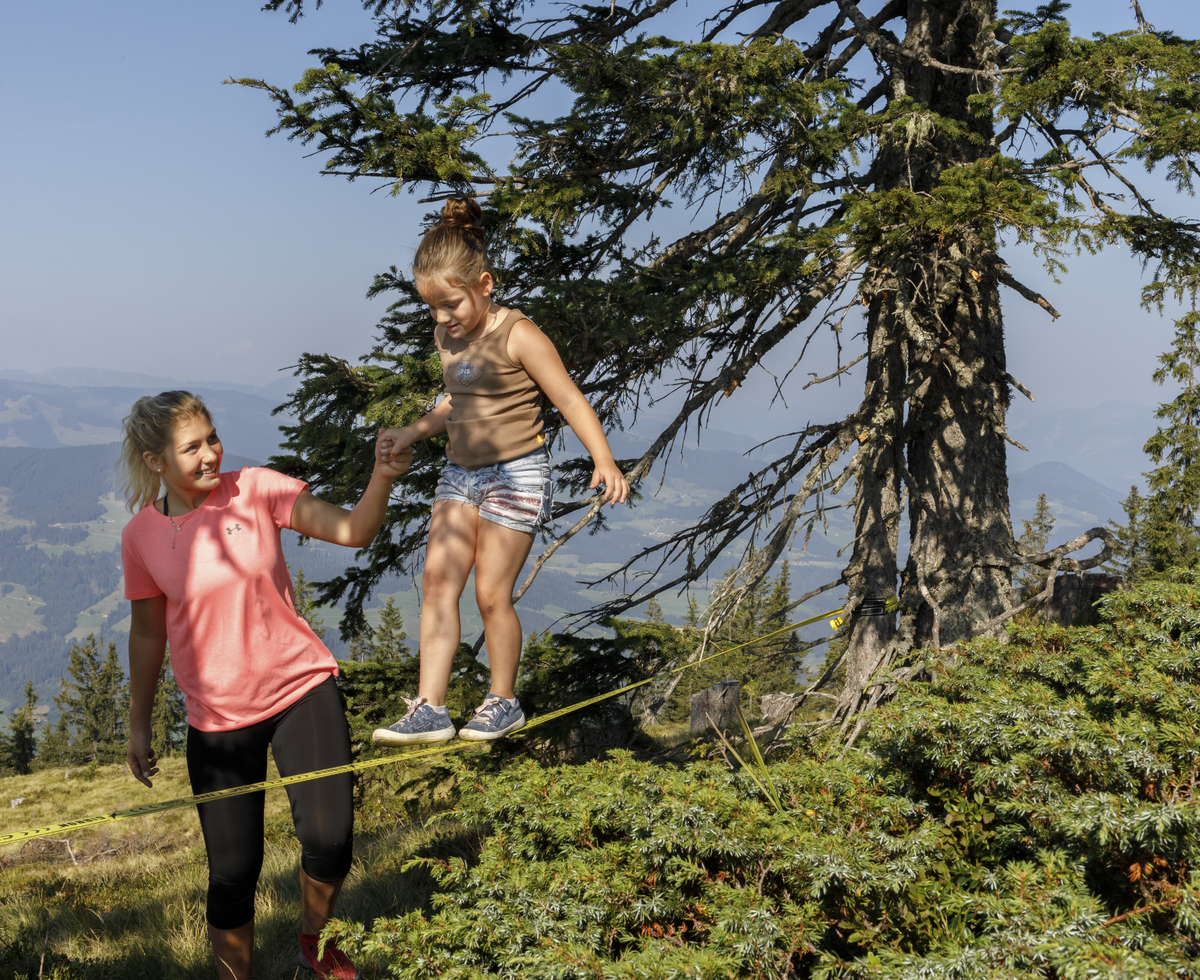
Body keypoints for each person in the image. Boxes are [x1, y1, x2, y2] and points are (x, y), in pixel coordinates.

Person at [120, 390, 411, 980]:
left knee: (330, 843)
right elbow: (148, 636)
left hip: (300, 686)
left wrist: (382, 475)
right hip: (216, 718)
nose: (210, 454)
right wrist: (139, 722)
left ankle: (314, 942)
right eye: (192, 447)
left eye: (212, 437)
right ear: (156, 462)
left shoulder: (255, 487)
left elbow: (354, 530)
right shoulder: (140, 537)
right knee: (232, 872)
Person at [372, 198, 629, 747]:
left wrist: (603, 459)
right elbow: (456, 402)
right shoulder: (447, 336)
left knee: (491, 592)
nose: (441, 319)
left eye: (451, 305)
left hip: (518, 474)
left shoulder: (519, 334)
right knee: (438, 581)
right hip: (459, 473)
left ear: (484, 284)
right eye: (431, 309)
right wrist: (414, 431)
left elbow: (570, 400)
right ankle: (430, 709)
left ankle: (503, 700)